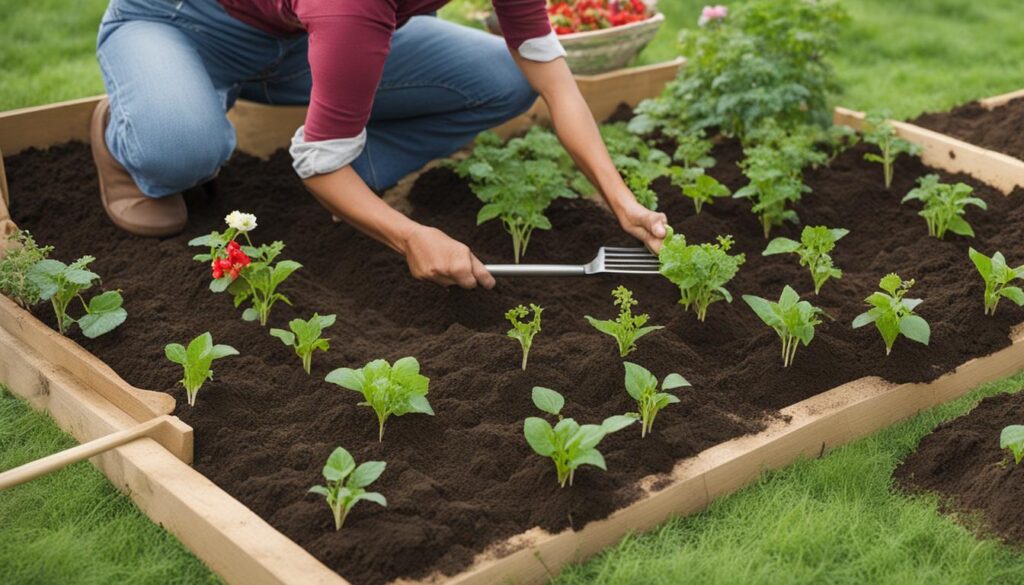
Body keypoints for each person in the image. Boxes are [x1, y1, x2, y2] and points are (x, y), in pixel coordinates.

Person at [91, 0, 668, 289]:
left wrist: (620, 199)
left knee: (507, 77)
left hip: (303, 38)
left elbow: (550, 75)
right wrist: (409, 235)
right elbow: (317, 167)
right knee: (184, 151)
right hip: (184, 21)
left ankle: (356, 171)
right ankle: (135, 126)